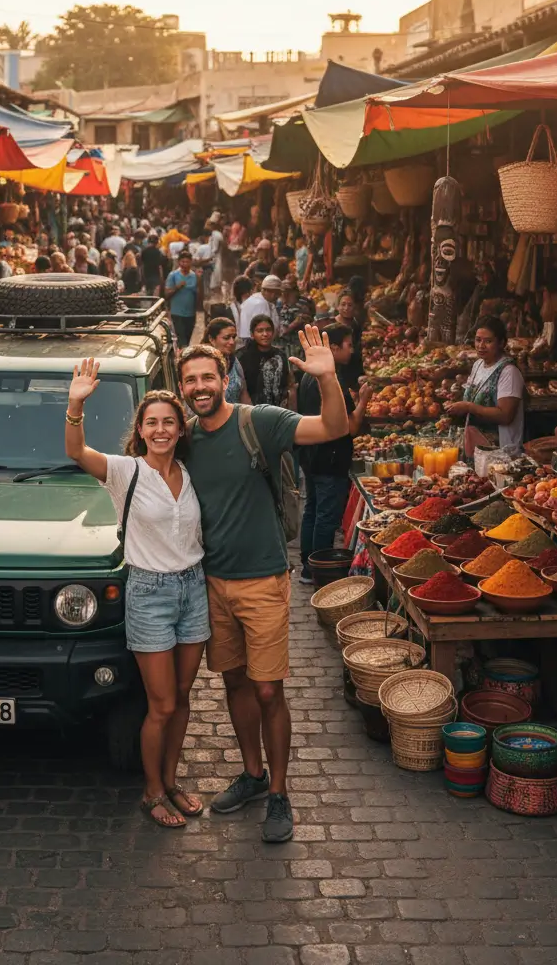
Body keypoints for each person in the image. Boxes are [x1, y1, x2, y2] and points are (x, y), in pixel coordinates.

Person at [177, 326, 348, 843]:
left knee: (269, 689)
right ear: (181, 386)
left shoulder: (260, 422)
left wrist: (329, 379)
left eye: (208, 376)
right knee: (234, 683)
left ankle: (279, 792)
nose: (200, 386)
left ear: (225, 379)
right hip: (213, 583)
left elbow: (333, 429)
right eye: (190, 380)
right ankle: (252, 775)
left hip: (264, 582)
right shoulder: (183, 438)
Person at [66, 360, 208, 829]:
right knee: (162, 703)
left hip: (193, 588)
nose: (161, 430)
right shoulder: (125, 471)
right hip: (149, 592)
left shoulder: (189, 473)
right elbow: (77, 452)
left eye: (169, 421)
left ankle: (170, 782)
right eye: (152, 423)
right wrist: (76, 403)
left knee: (184, 697)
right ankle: (150, 793)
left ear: (180, 428)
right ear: (141, 431)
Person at [296, 324, 371, 584]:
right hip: (330, 457)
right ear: (335, 348)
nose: (353, 350)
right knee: (326, 516)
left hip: (311, 455)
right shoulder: (331, 379)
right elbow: (350, 427)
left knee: (313, 510)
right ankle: (319, 571)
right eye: (349, 345)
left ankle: (308, 566)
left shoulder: (309, 376)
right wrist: (362, 401)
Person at [445, 315, 525, 451]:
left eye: (488, 341)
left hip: (500, 451)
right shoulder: (478, 364)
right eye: (478, 340)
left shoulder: (508, 372)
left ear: (501, 343)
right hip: (475, 443)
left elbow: (505, 416)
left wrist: (469, 407)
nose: (481, 346)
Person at [239, 315, 290, 407]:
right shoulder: (242, 356)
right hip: (251, 410)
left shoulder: (280, 355)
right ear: (252, 334)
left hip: (279, 410)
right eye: (260, 331)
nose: (265, 334)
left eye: (268, 330)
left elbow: (289, 384)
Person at [204, 317, 250, 405]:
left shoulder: (234, 361)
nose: (232, 342)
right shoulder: (202, 364)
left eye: (234, 337)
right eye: (226, 338)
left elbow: (244, 394)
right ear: (211, 339)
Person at [165, 250, 199, 347]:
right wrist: (177, 287)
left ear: (191, 262)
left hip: (190, 314)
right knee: (182, 340)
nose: (185, 264)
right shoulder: (173, 275)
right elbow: (166, 294)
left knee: (187, 340)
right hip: (177, 313)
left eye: (187, 262)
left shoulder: (194, 276)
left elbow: (199, 295)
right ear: (179, 262)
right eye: (183, 262)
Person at [276, 280, 313, 365]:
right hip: (293, 348)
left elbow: (283, 331)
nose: (283, 295)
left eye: (284, 292)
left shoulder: (300, 304)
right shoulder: (285, 307)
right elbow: (283, 331)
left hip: (296, 347)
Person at [335, 289, 364, 388]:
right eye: (343, 304)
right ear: (337, 306)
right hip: (339, 375)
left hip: (355, 372)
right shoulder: (333, 326)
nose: (346, 308)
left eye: (350, 305)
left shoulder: (355, 324)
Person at [238, 276, 273, 345]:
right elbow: (263, 324)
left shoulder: (250, 300)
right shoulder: (261, 302)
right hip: (253, 339)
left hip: (246, 338)